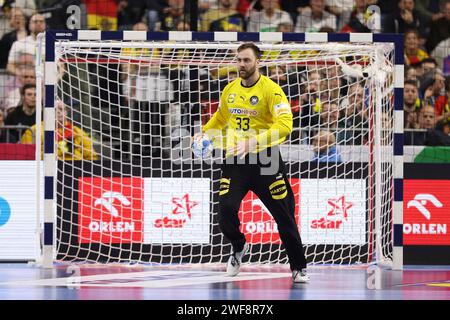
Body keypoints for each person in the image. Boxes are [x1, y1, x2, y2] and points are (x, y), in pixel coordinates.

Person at [195, 43, 309, 283]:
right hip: (235, 160)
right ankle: (238, 246)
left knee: (284, 215)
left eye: (246, 60)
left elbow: (285, 125)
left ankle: (298, 267)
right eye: (238, 60)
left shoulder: (272, 90)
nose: (241, 65)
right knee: (225, 211)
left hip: (266, 160)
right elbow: (220, 118)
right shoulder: (230, 89)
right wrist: (204, 134)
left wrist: (252, 143)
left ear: (258, 62)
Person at [21, 100, 98, 160]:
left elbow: (91, 156)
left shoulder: (77, 131)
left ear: (66, 112)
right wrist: (60, 151)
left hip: (75, 168)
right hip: (46, 169)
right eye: (54, 109)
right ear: (46, 112)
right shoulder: (34, 130)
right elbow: (27, 156)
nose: (58, 112)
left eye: (61, 109)